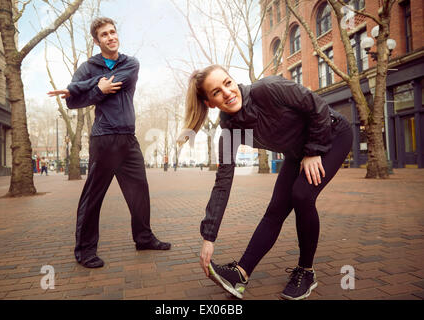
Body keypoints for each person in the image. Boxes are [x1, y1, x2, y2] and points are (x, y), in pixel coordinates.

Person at [181, 65, 353, 300]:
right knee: (275, 209)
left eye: (228, 83)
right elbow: (222, 183)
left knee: (302, 195)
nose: (228, 92)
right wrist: (208, 237)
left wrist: (314, 151)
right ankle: (240, 274)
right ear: (209, 103)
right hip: (298, 152)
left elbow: (318, 107)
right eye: (216, 92)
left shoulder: (268, 89)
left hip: (331, 134)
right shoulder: (230, 132)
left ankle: (306, 271)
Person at [48, 17, 170, 269]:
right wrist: (97, 90)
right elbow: (72, 101)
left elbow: (103, 84)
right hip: (104, 138)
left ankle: (144, 238)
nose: (110, 37)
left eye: (113, 32)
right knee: (93, 196)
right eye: (104, 34)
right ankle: (84, 250)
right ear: (97, 41)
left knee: (139, 191)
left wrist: (83, 87)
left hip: (129, 138)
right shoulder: (89, 66)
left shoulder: (130, 63)